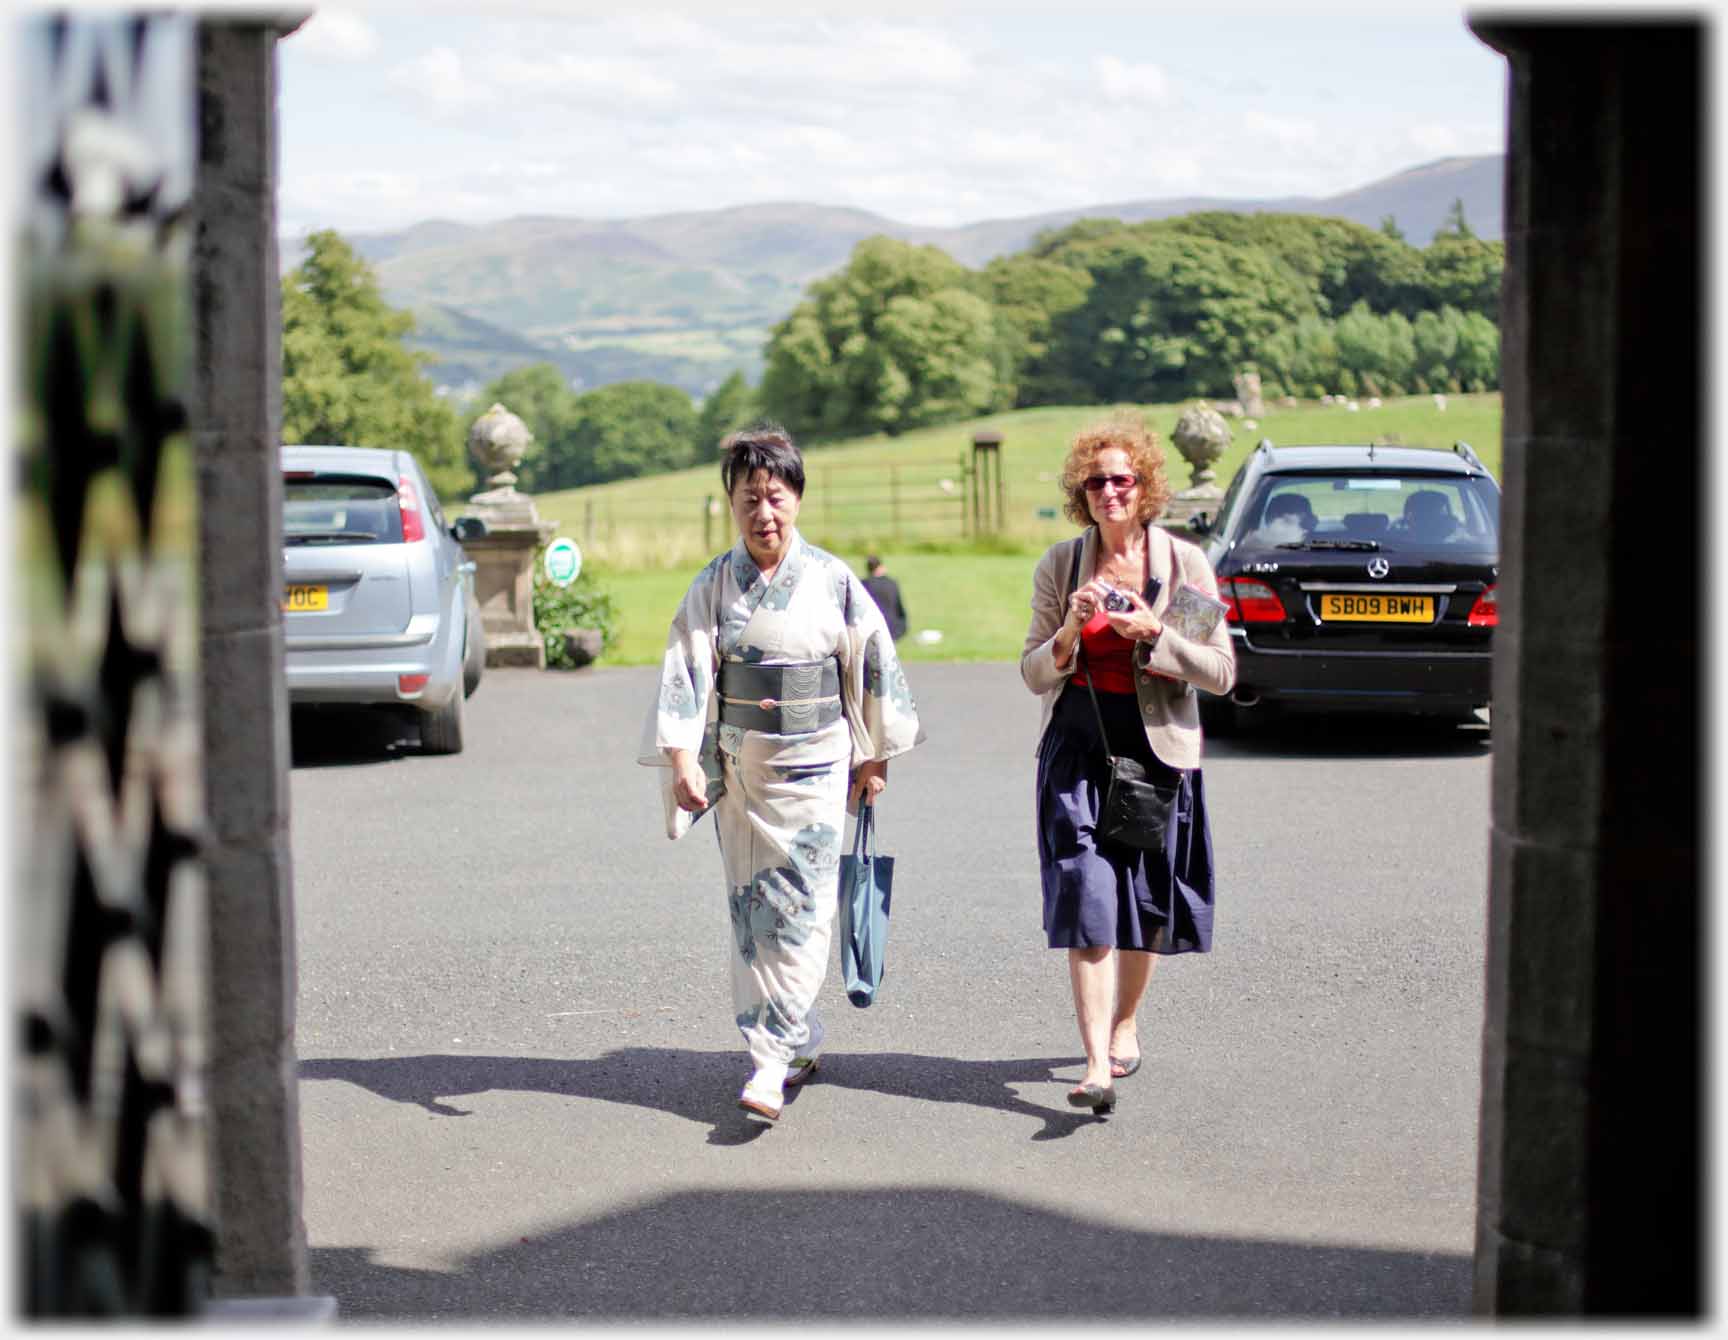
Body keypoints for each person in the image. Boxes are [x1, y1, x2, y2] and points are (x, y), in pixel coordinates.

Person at [638, 423, 924, 1122]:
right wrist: (682, 758)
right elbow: (686, 669)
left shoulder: (832, 580)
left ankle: (768, 1062)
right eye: (748, 500)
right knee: (753, 915)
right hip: (743, 776)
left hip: (818, 767)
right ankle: (799, 1037)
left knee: (803, 908)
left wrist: (875, 754)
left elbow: (871, 663)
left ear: (796, 496)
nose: (763, 514)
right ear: (731, 505)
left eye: (775, 496)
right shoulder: (714, 583)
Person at [1019, 412, 1235, 1114]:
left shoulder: (1184, 565)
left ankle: (1125, 1024)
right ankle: (1093, 1068)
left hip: (1156, 754)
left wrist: (1155, 633)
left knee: (1142, 905)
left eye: (1122, 479)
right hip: (1079, 747)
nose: (1109, 491)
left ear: (1144, 487)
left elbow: (1219, 672)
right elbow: (1031, 672)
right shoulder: (1061, 564)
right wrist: (1069, 635)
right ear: (1081, 493)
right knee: (1087, 895)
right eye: (1095, 481)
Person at [860, 555, 908, 641]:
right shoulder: (891, 583)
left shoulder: (863, 585)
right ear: (881, 567)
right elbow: (899, 608)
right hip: (892, 628)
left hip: (871, 629)